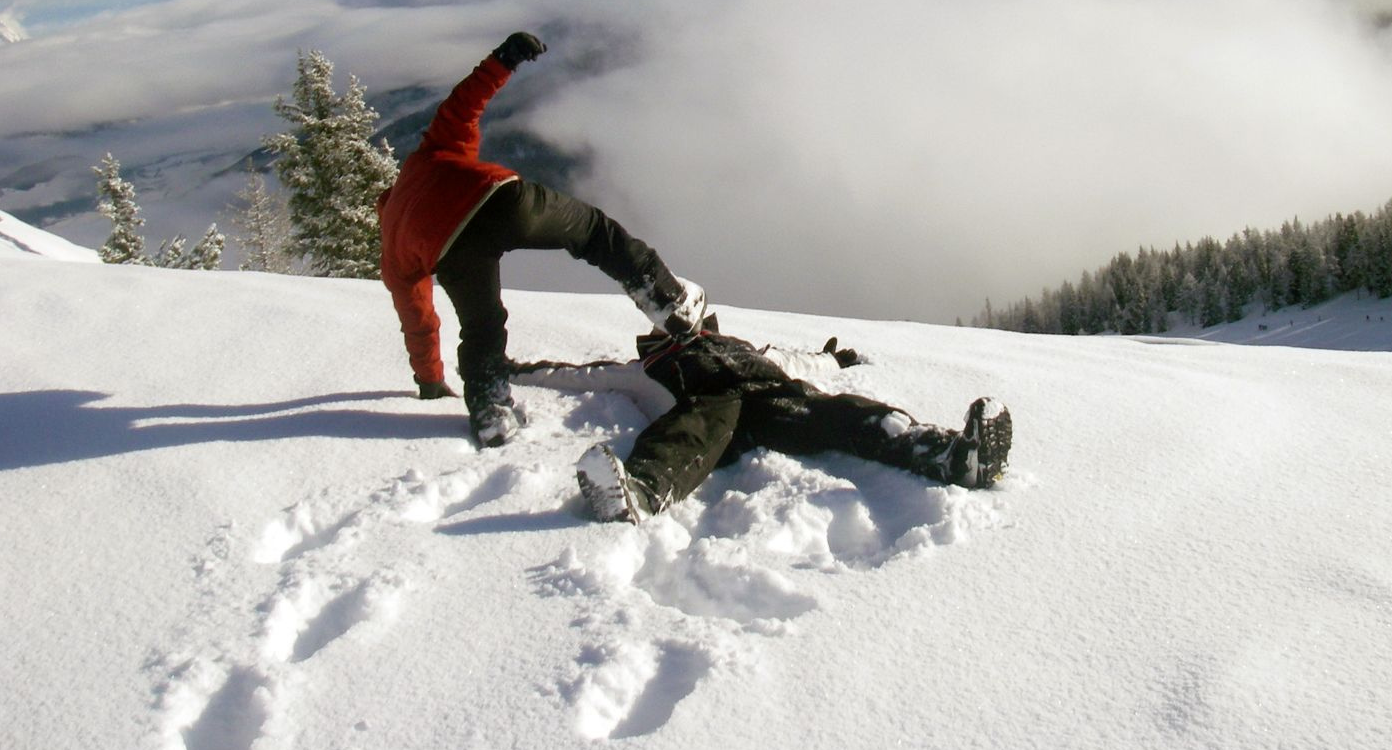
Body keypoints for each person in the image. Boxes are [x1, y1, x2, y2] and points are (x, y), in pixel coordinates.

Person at [377, 31, 706, 447]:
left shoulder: (392, 250)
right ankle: (666, 301)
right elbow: (462, 105)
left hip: (451, 254)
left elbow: (419, 322)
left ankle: (489, 409)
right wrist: (503, 59)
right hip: (497, 202)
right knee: (592, 232)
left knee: (482, 327)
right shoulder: (424, 160)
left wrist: (429, 381)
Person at [571, 320, 1013, 523]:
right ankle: (642, 492)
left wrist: (835, 359)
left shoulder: (750, 351)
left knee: (845, 412)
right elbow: (573, 375)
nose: (686, 330)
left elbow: (799, 360)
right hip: (716, 409)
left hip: (776, 401)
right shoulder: (644, 368)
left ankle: (953, 456)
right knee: (695, 423)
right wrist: (508, 370)